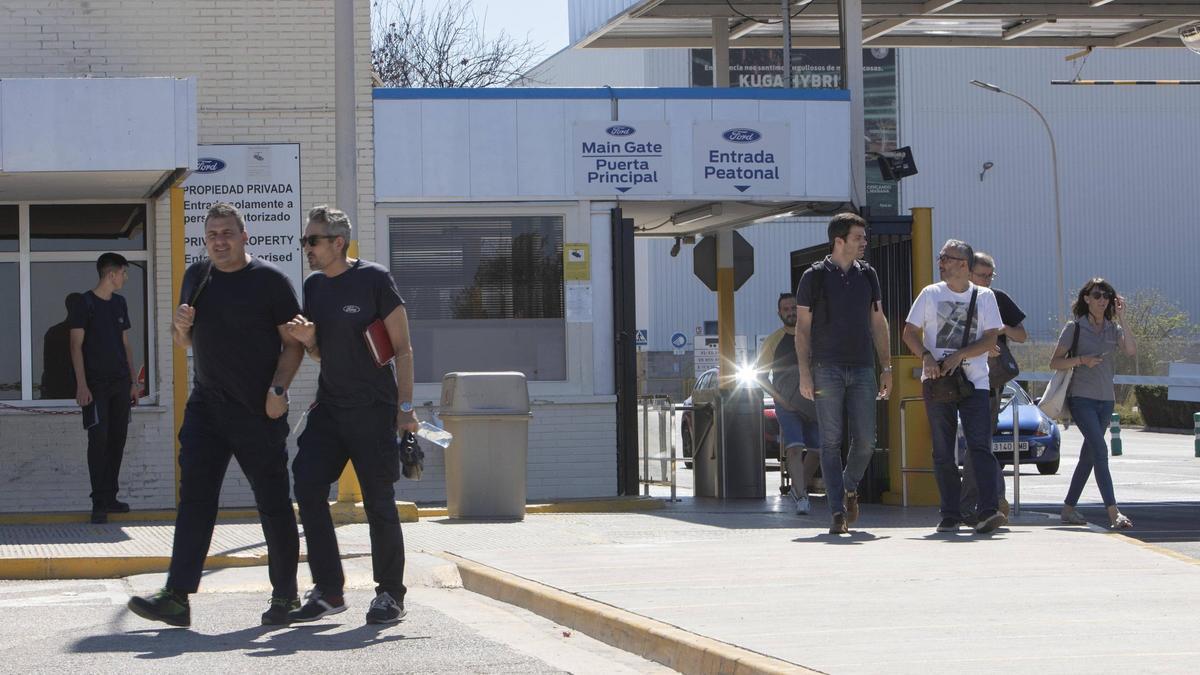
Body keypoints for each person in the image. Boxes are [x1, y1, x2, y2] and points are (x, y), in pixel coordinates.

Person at [128, 203, 304, 627]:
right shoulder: (198, 275)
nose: (220, 241)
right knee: (195, 502)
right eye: (212, 235)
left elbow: (293, 344)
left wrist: (278, 390)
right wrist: (180, 326)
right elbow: (182, 342)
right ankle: (177, 597)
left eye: (227, 233)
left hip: (258, 411)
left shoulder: (271, 281)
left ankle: (286, 597)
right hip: (207, 409)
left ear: (245, 236)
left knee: (274, 504)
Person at [285, 205, 417, 625]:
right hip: (330, 408)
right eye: (305, 240)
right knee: (306, 485)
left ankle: (390, 595)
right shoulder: (314, 287)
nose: (306, 247)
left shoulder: (374, 279)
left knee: (380, 502)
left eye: (313, 240)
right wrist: (308, 342)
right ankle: (328, 590)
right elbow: (324, 352)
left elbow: (403, 350)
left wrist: (405, 410)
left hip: (374, 410)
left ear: (337, 243)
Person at [796, 213, 892, 535]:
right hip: (826, 369)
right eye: (858, 238)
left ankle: (849, 486)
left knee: (866, 441)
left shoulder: (869, 275)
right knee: (830, 441)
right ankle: (837, 511)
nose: (864, 243)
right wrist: (804, 374)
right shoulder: (814, 277)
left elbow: (879, 323)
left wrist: (887, 368)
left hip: (863, 367)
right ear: (839, 241)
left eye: (864, 238)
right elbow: (802, 329)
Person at [902, 239, 1006, 534]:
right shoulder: (930, 294)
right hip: (937, 383)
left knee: (979, 446)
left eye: (946, 258)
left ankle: (987, 510)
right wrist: (926, 358)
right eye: (940, 257)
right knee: (943, 450)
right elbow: (909, 332)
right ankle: (950, 512)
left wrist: (960, 355)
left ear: (963, 264)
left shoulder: (985, 297)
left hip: (975, 382)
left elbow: (990, 340)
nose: (941, 262)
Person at [1053, 278, 1137, 530]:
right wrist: (1081, 360)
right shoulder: (1074, 328)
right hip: (1081, 399)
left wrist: (1123, 318)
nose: (1102, 300)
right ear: (1086, 298)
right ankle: (1114, 512)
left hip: (1106, 400)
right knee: (1100, 451)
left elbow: (1131, 351)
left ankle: (1068, 508)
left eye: (1107, 296)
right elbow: (1055, 362)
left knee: (1089, 455)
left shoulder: (1113, 328)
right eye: (1097, 295)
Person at [68, 254, 139, 524]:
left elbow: (126, 344)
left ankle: (110, 497)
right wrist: (82, 385)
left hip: (120, 384)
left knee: (116, 440)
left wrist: (134, 382)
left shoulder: (120, 303)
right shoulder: (84, 304)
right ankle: (99, 502)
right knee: (98, 442)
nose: (125, 278)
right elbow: (75, 346)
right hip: (95, 386)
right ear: (112, 274)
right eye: (124, 273)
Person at [959, 252, 1026, 524]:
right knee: (973, 444)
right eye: (981, 275)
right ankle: (988, 497)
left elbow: (1022, 335)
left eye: (990, 276)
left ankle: (983, 500)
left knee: (981, 441)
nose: (986, 281)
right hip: (956, 376)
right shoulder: (954, 297)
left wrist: (1001, 329)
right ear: (968, 273)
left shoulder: (998, 299)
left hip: (989, 382)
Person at [756, 293, 821, 515]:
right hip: (787, 405)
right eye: (786, 309)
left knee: (817, 449)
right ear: (779, 313)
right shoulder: (773, 340)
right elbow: (760, 376)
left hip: (813, 403)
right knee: (794, 447)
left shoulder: (814, 335)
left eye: (794, 307)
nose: (791, 312)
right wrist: (782, 400)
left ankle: (797, 486)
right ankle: (802, 496)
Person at [42, 293, 83, 400]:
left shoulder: (54, 332)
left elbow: (48, 366)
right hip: (66, 389)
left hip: (60, 389)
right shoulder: (87, 333)